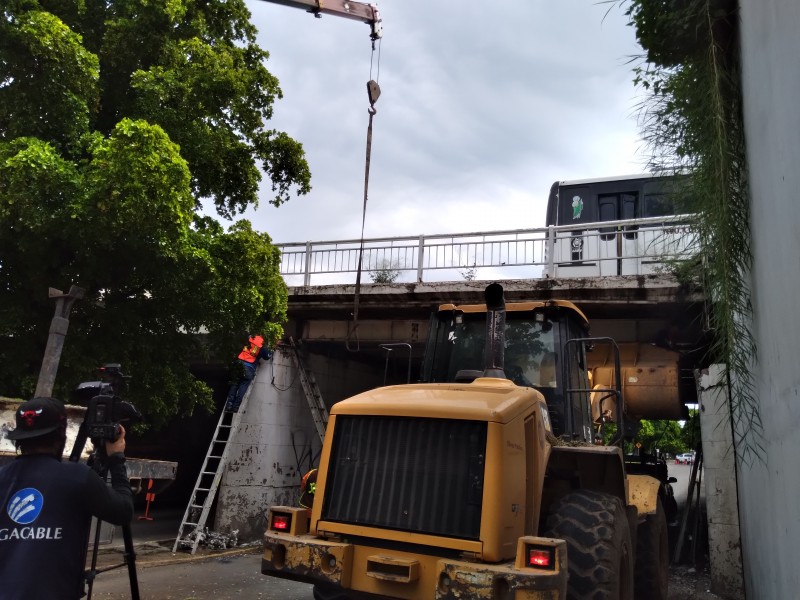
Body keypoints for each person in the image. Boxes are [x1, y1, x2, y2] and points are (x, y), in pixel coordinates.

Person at [0, 396, 134, 599]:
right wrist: (116, 458)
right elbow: (123, 511)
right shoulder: (77, 476)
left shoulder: (2, 477)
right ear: (61, 436)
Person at [224, 334, 277, 412]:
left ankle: (229, 404)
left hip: (238, 364)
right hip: (249, 367)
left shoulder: (249, 338)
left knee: (234, 384)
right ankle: (236, 407)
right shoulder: (262, 345)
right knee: (243, 386)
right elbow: (267, 357)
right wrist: (272, 350)